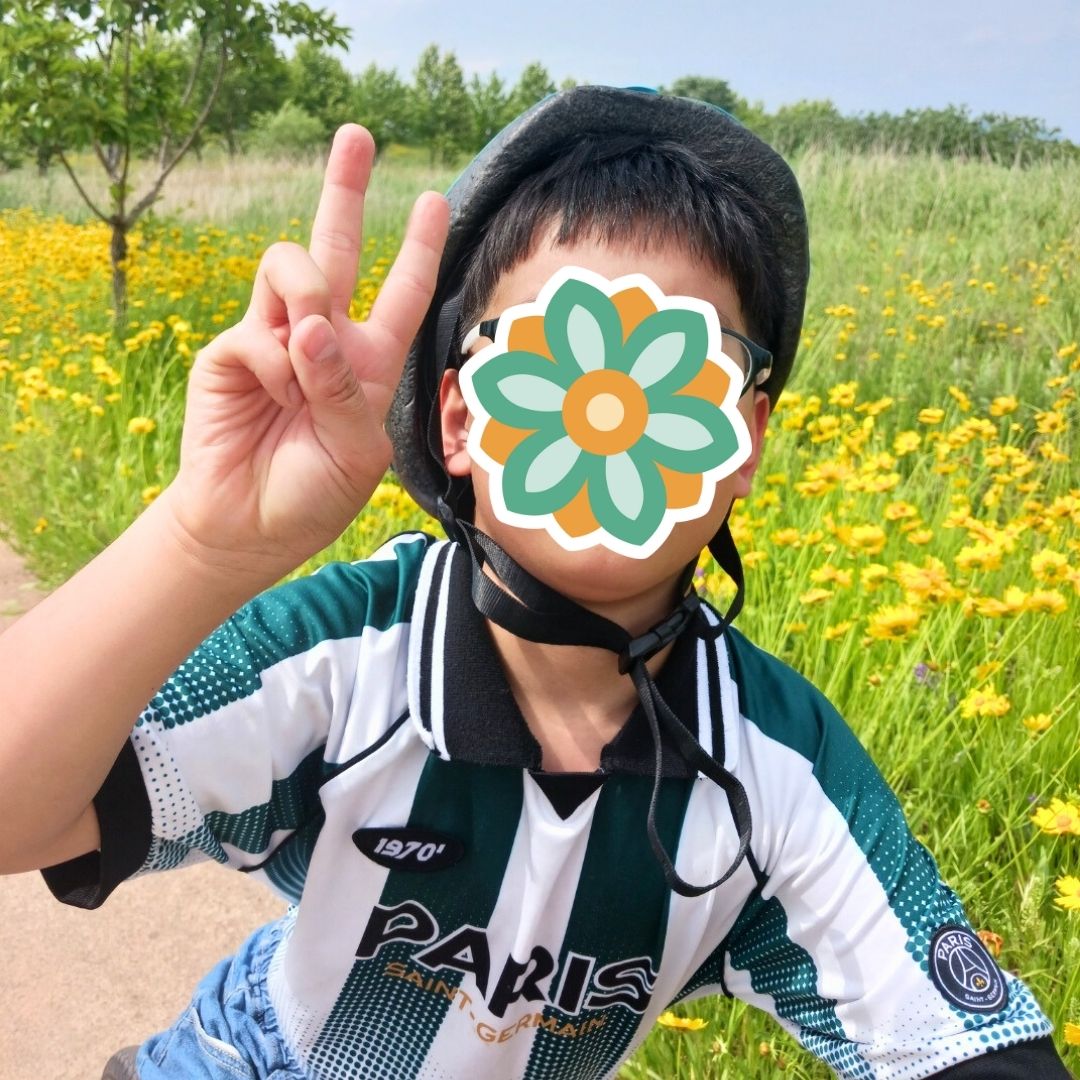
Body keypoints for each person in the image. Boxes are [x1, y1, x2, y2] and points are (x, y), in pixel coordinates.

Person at [0, 87, 1071, 1080]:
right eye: (555, 362)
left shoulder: (772, 770)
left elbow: (961, 1042)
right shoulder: (349, 658)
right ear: (463, 419)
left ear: (741, 441)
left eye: (676, 372)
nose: (613, 409)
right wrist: (201, 540)